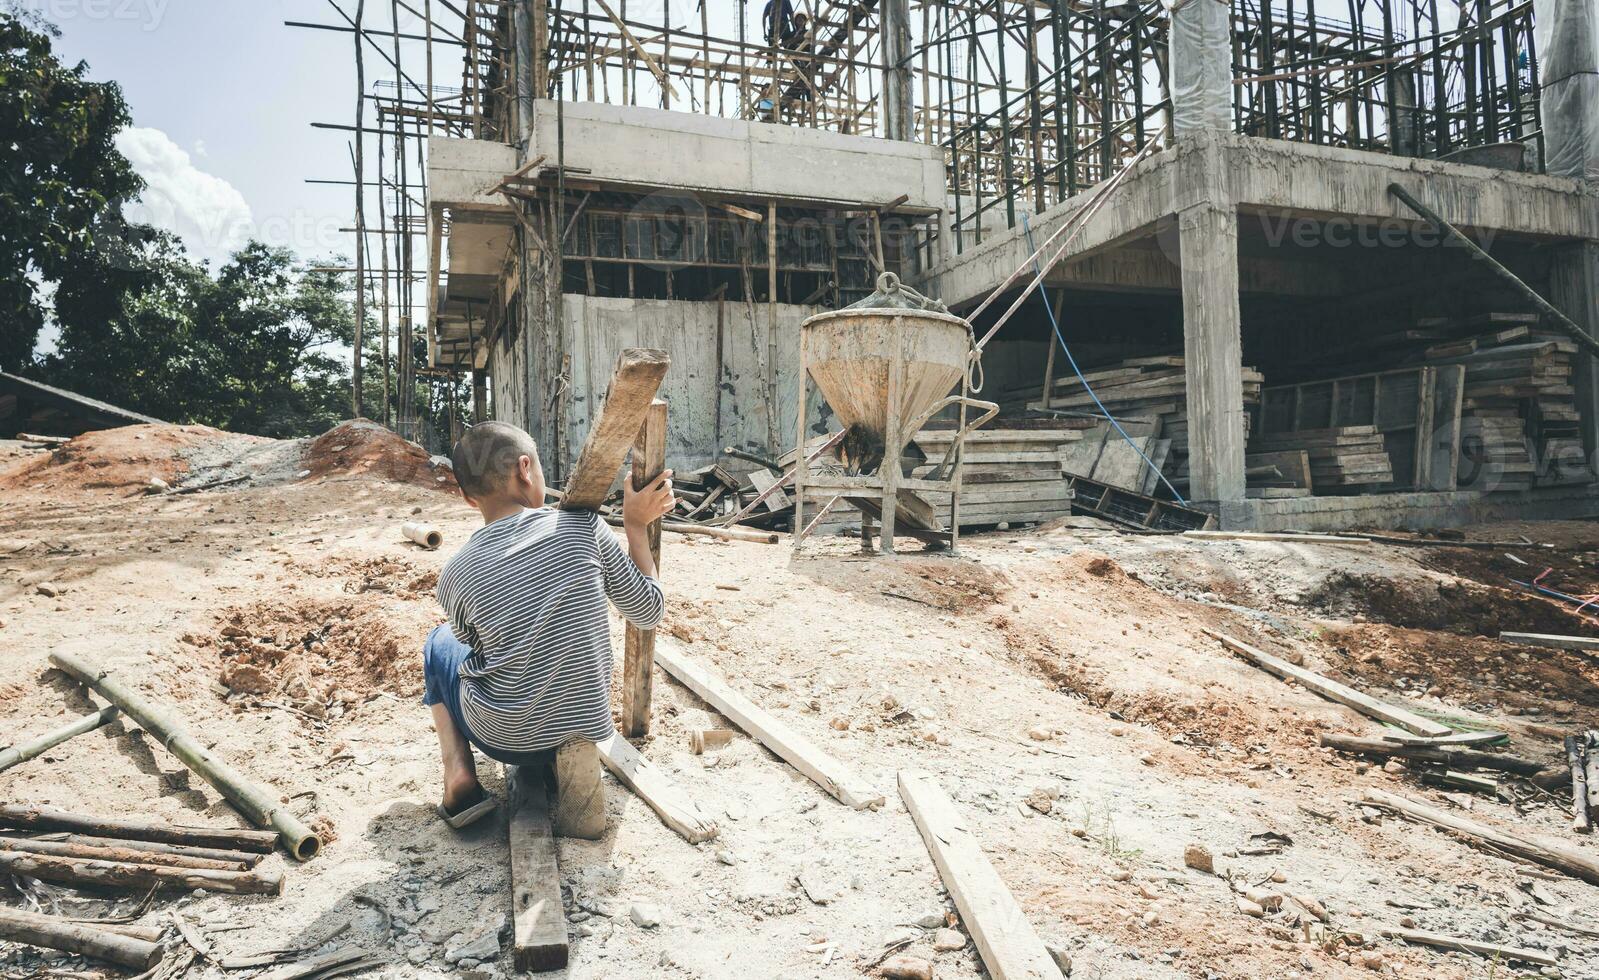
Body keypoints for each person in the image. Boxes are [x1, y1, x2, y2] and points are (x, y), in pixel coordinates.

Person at [422, 421, 674, 835]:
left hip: (503, 739)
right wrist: (634, 527)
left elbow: (474, 645)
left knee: (439, 641)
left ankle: (458, 774)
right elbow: (648, 612)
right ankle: (560, 747)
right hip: (587, 724)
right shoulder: (583, 527)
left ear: (468, 498)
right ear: (526, 469)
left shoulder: (455, 574)